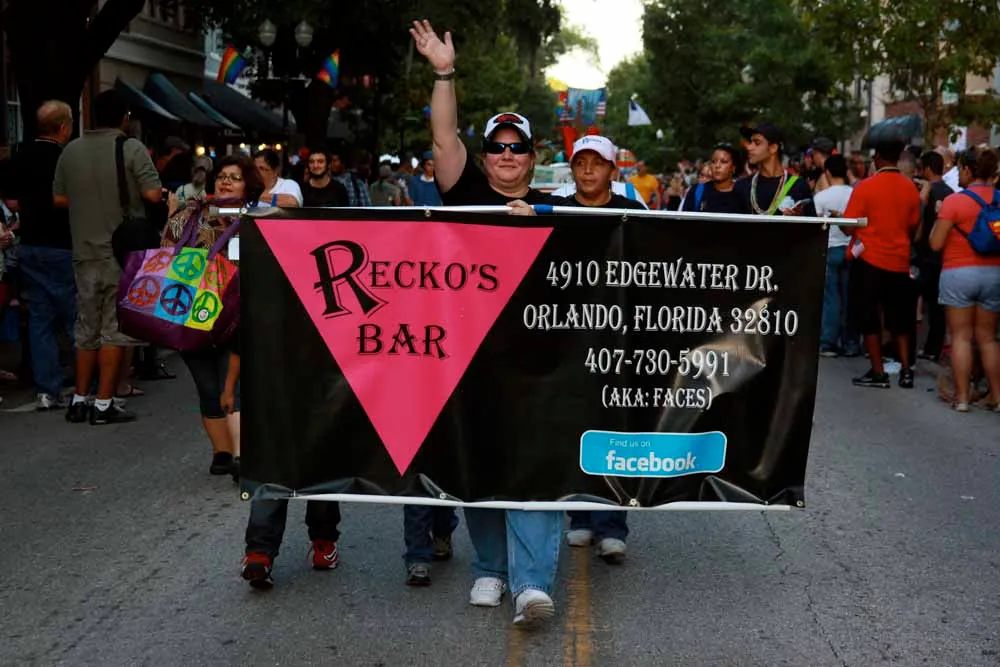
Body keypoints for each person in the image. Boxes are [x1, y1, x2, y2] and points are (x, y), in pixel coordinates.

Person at [412, 18, 561, 629]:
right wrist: (444, 73)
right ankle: (491, 569)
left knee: (534, 465)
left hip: (538, 362)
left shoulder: (561, 208)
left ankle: (532, 583)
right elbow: (443, 136)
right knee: (478, 461)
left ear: (532, 158)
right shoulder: (466, 190)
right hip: (469, 354)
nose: (505, 155)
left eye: (516, 147)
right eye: (497, 146)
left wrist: (543, 222)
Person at [54, 89, 162, 425]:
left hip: (83, 250)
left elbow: (59, 199)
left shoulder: (70, 150)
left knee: (86, 328)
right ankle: (104, 404)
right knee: (114, 330)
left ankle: (79, 400)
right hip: (120, 253)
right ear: (124, 117)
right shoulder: (131, 148)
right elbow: (152, 193)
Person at [161, 154, 260, 475]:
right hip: (190, 310)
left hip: (237, 314)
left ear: (248, 185)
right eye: (221, 176)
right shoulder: (190, 213)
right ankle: (222, 452)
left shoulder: (260, 218)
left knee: (234, 384)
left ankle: (242, 455)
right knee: (207, 386)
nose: (226, 181)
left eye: (235, 177)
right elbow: (165, 254)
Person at [5, 101, 76, 410]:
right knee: (75, 317)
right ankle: (89, 384)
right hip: (62, 243)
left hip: (30, 243)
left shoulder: (21, 155)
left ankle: (47, 390)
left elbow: (11, 200)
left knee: (40, 319)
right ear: (63, 127)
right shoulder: (66, 158)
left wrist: (30, 207)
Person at [842, 140, 921, 389]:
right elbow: (913, 225)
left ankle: (878, 372)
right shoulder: (910, 188)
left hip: (869, 260)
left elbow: (849, 226)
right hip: (899, 260)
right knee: (900, 320)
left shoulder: (865, 187)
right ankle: (906, 371)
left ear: (877, 159)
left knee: (869, 317)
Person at [928, 148, 1000, 412]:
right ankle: (997, 396)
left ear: (969, 171)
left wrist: (938, 217)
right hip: (994, 274)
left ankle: (961, 398)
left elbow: (935, 244)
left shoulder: (954, 202)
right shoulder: (999, 199)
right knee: (988, 338)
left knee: (961, 337)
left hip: (958, 273)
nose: (958, 173)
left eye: (959, 169)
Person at [813, 155, 859, 357]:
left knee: (831, 298)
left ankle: (828, 342)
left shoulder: (821, 198)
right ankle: (851, 342)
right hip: (852, 249)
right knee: (850, 297)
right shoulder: (854, 194)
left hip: (829, 249)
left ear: (827, 172)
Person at [912, 151, 952, 362]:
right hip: (943, 255)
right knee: (937, 307)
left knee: (912, 302)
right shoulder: (951, 192)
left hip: (923, 254)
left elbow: (917, 221)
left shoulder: (924, 192)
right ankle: (933, 348)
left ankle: (907, 347)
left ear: (927, 169)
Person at [736, 122, 814, 217]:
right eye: (750, 142)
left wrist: (798, 219)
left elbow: (813, 224)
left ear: (773, 148)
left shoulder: (798, 186)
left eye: (757, 143)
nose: (749, 147)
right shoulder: (742, 186)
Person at [680, 143, 744, 214]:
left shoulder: (744, 194)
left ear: (734, 167)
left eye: (723, 162)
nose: (717, 166)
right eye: (713, 161)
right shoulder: (698, 191)